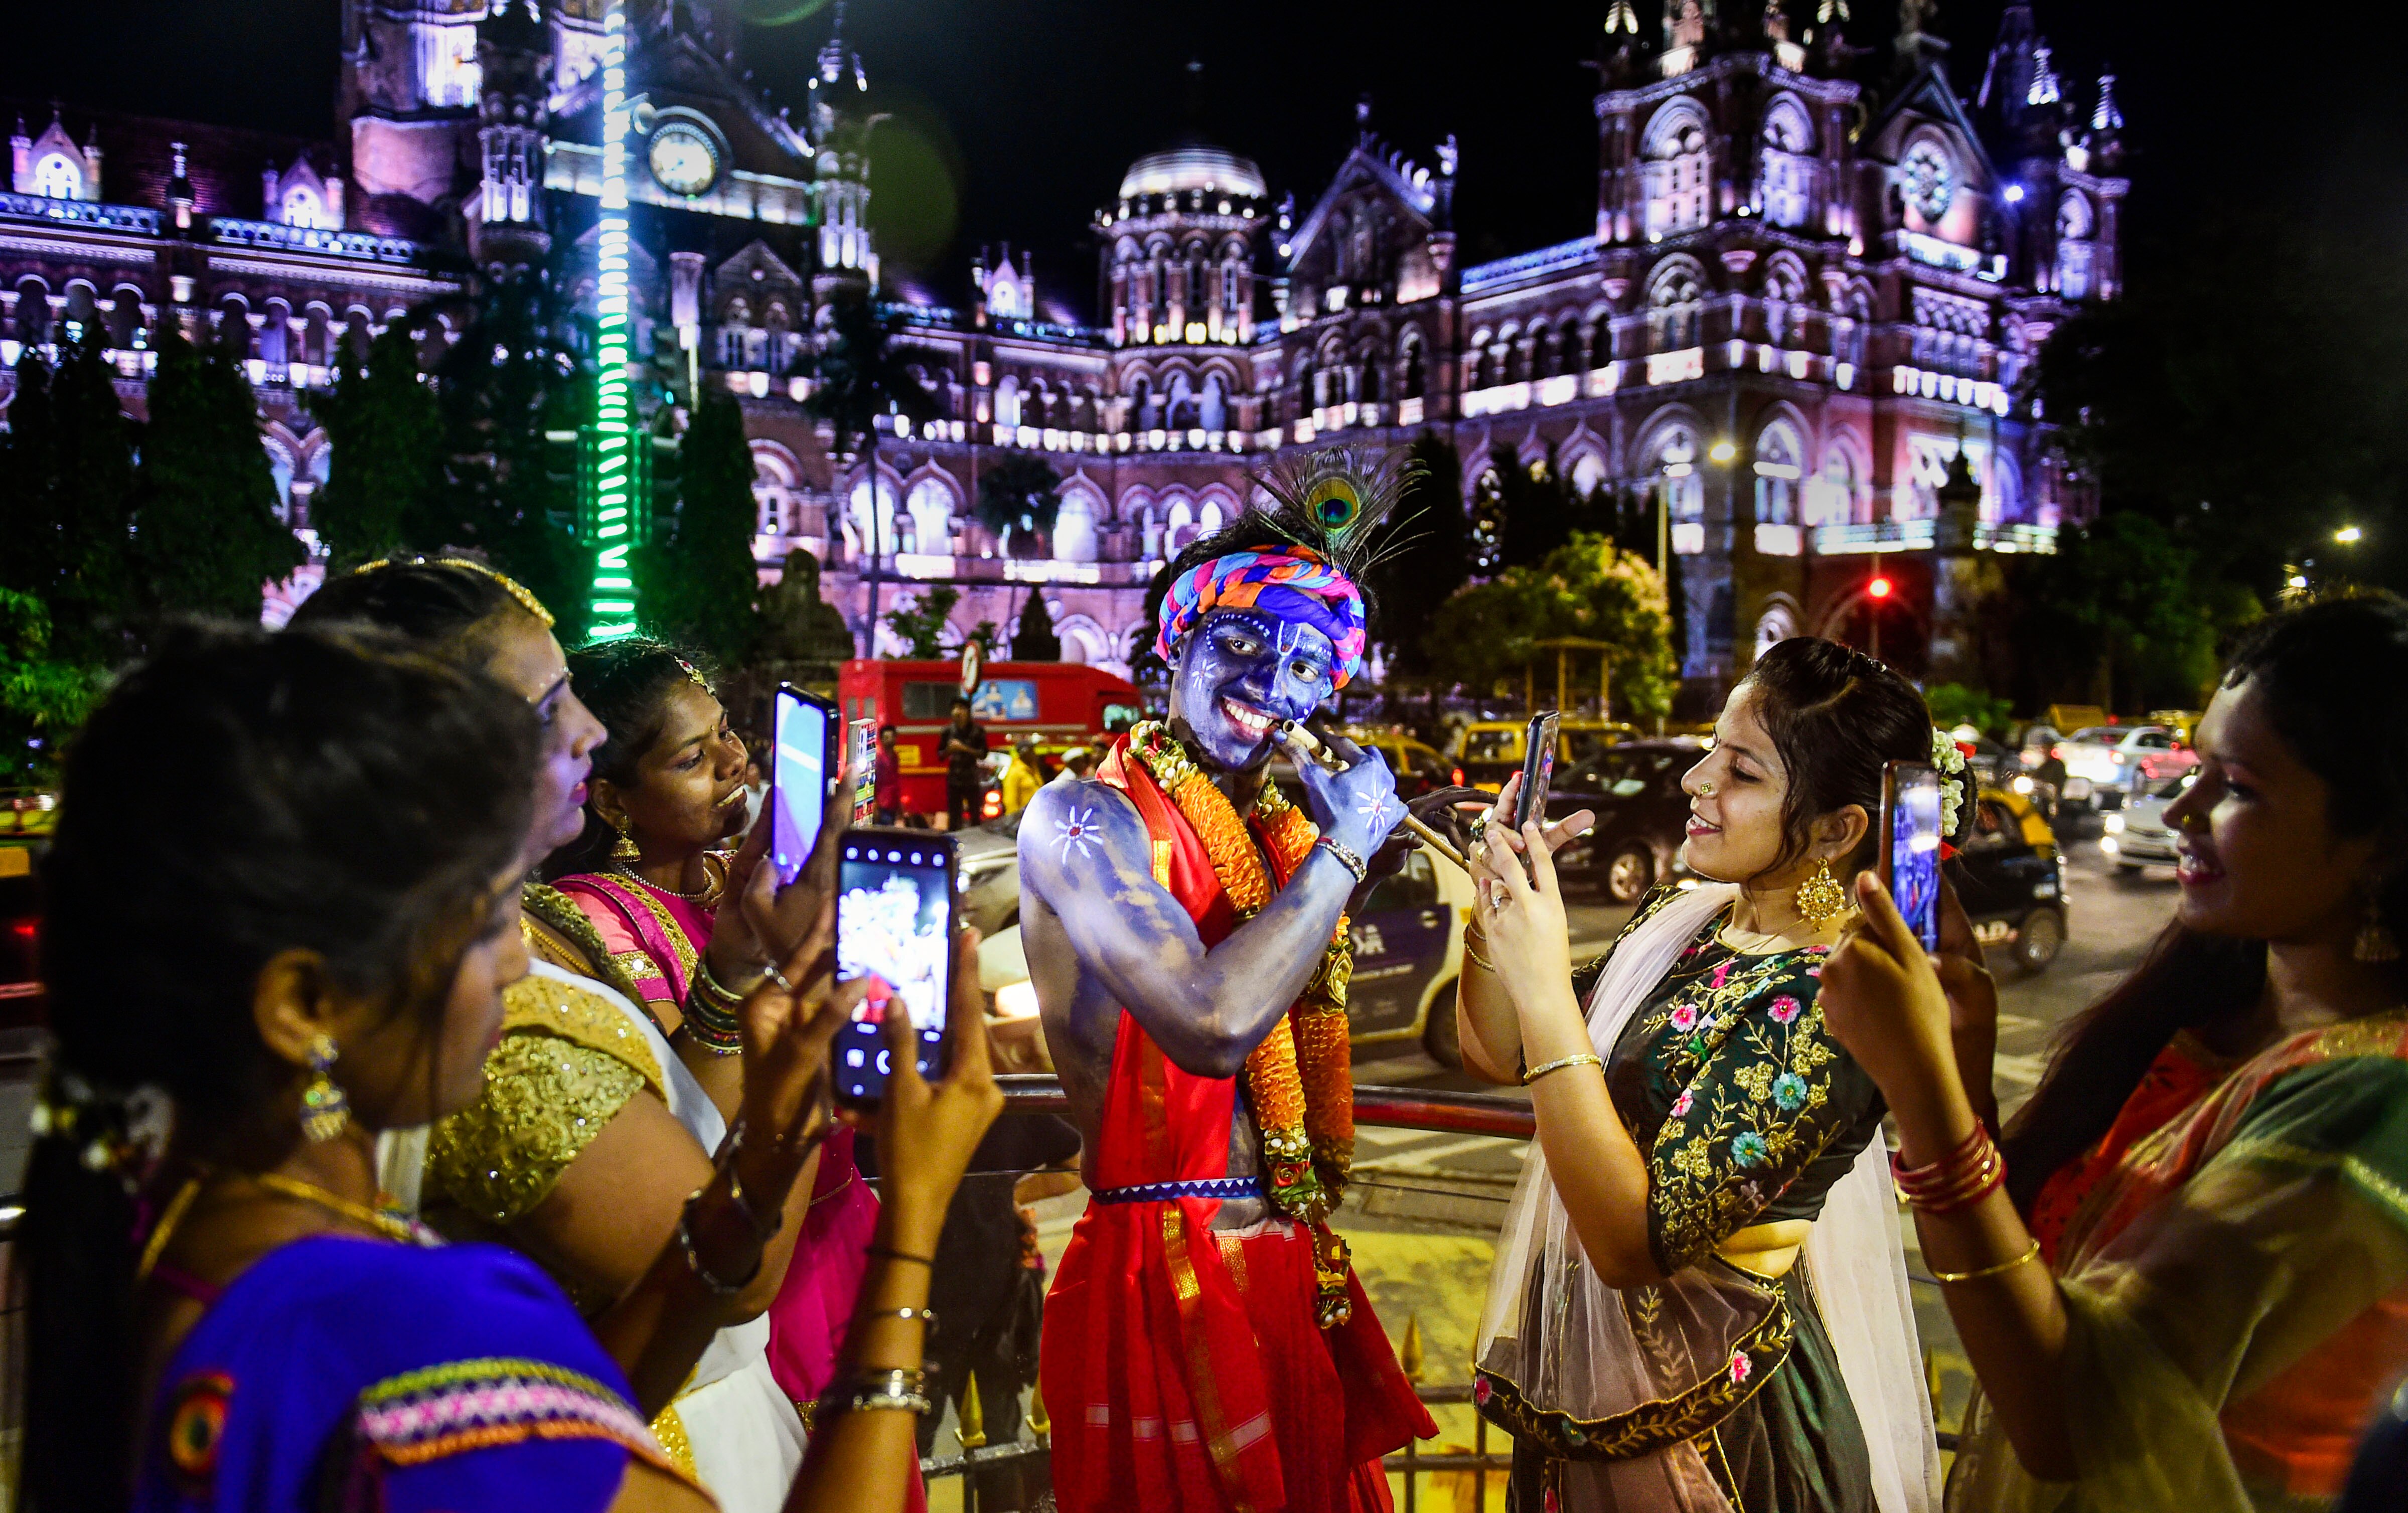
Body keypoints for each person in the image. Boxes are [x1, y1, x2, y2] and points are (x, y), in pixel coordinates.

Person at [23, 625, 844, 1512]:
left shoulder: (175, 1245)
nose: (513, 968)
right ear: (302, 1003)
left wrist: (756, 1169)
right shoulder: (420, 1336)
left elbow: (576, 1419)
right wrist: (911, 1243)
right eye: (483, 918)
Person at [1816, 593, 2408, 1512]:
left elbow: (2077, 1414)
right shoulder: (2212, 1026)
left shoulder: (2377, 1097)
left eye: (2238, 786)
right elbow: (2025, 1280)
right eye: (2198, 767)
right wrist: (1962, 1062)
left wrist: (1924, 1092)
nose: (2181, 808)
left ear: (2382, 844)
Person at [289, 562, 826, 1508]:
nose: (587, 733)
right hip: (642, 1445)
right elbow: (729, 1280)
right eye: (549, 710)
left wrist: (737, 973)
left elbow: (678, 1125)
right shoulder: (480, 1010)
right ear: (434, 760)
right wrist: (816, 1043)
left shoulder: (525, 930)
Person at [1018, 446, 1437, 1513]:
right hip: (1164, 1273)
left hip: (1292, 1265)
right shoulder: (1080, 815)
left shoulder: (1281, 836)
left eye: (1307, 666)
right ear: (1176, 644)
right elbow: (1209, 1024)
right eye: (1241, 641)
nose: (1271, 684)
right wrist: (1346, 854)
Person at [1461, 636, 1946, 1513]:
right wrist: (1495, 911)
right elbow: (1500, 1052)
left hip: (1718, 1431)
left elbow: (1628, 1244)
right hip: (1592, 1384)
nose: (1695, 781)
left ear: (1838, 830)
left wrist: (1540, 977)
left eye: (1743, 772)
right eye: (1708, 752)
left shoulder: (1834, 996)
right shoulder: (1683, 922)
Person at [543, 638, 888, 1426]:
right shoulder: (595, 920)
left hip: (837, 1223)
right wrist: (782, 965)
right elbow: (696, 1121)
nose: (735, 762)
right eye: (694, 758)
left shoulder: (748, 874)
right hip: (755, 1267)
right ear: (611, 799)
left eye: (729, 732)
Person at [942, 698, 989, 832]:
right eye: (955, 709)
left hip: (971, 778)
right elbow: (940, 755)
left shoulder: (978, 730)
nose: (957, 712)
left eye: (961, 709)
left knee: (975, 815)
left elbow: (983, 754)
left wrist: (964, 748)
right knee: (954, 816)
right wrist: (950, 750)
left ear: (968, 712)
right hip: (954, 779)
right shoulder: (948, 731)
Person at [1001, 738, 1045, 815]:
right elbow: (1010, 800)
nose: (1035, 754)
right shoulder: (1015, 772)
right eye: (1032, 751)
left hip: (1036, 815)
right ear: (1025, 753)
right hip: (1023, 817)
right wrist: (1014, 819)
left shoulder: (1034, 770)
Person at [875, 724, 905, 825]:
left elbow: (896, 780)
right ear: (881, 740)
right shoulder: (879, 758)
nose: (890, 740)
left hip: (893, 802)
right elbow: (876, 781)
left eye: (892, 737)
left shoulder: (896, 757)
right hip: (882, 803)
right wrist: (875, 804)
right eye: (886, 738)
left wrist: (899, 804)